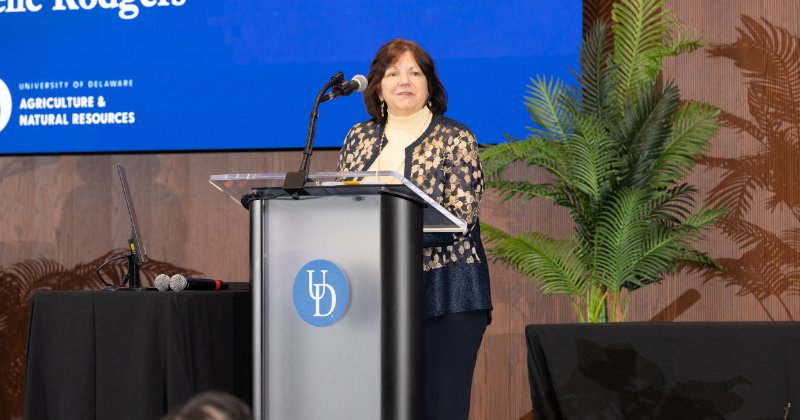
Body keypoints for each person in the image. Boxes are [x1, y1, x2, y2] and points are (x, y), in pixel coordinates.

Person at [337, 38, 492, 420]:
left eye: (414, 72)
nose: (404, 80)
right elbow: (343, 207)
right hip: (374, 294)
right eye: (392, 73)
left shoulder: (456, 138)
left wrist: (389, 230)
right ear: (378, 87)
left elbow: (462, 216)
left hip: (448, 292)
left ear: (429, 84)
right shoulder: (358, 138)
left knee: (440, 408)